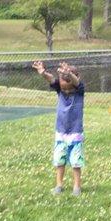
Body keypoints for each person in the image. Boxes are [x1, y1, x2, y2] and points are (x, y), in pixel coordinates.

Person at [33, 60, 85, 196]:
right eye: (64, 88)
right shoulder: (59, 90)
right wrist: (43, 73)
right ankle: (59, 185)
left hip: (75, 133)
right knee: (59, 160)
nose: (66, 91)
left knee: (76, 162)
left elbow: (76, 82)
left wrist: (69, 74)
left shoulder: (79, 91)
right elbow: (51, 79)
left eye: (69, 87)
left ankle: (77, 187)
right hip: (60, 132)